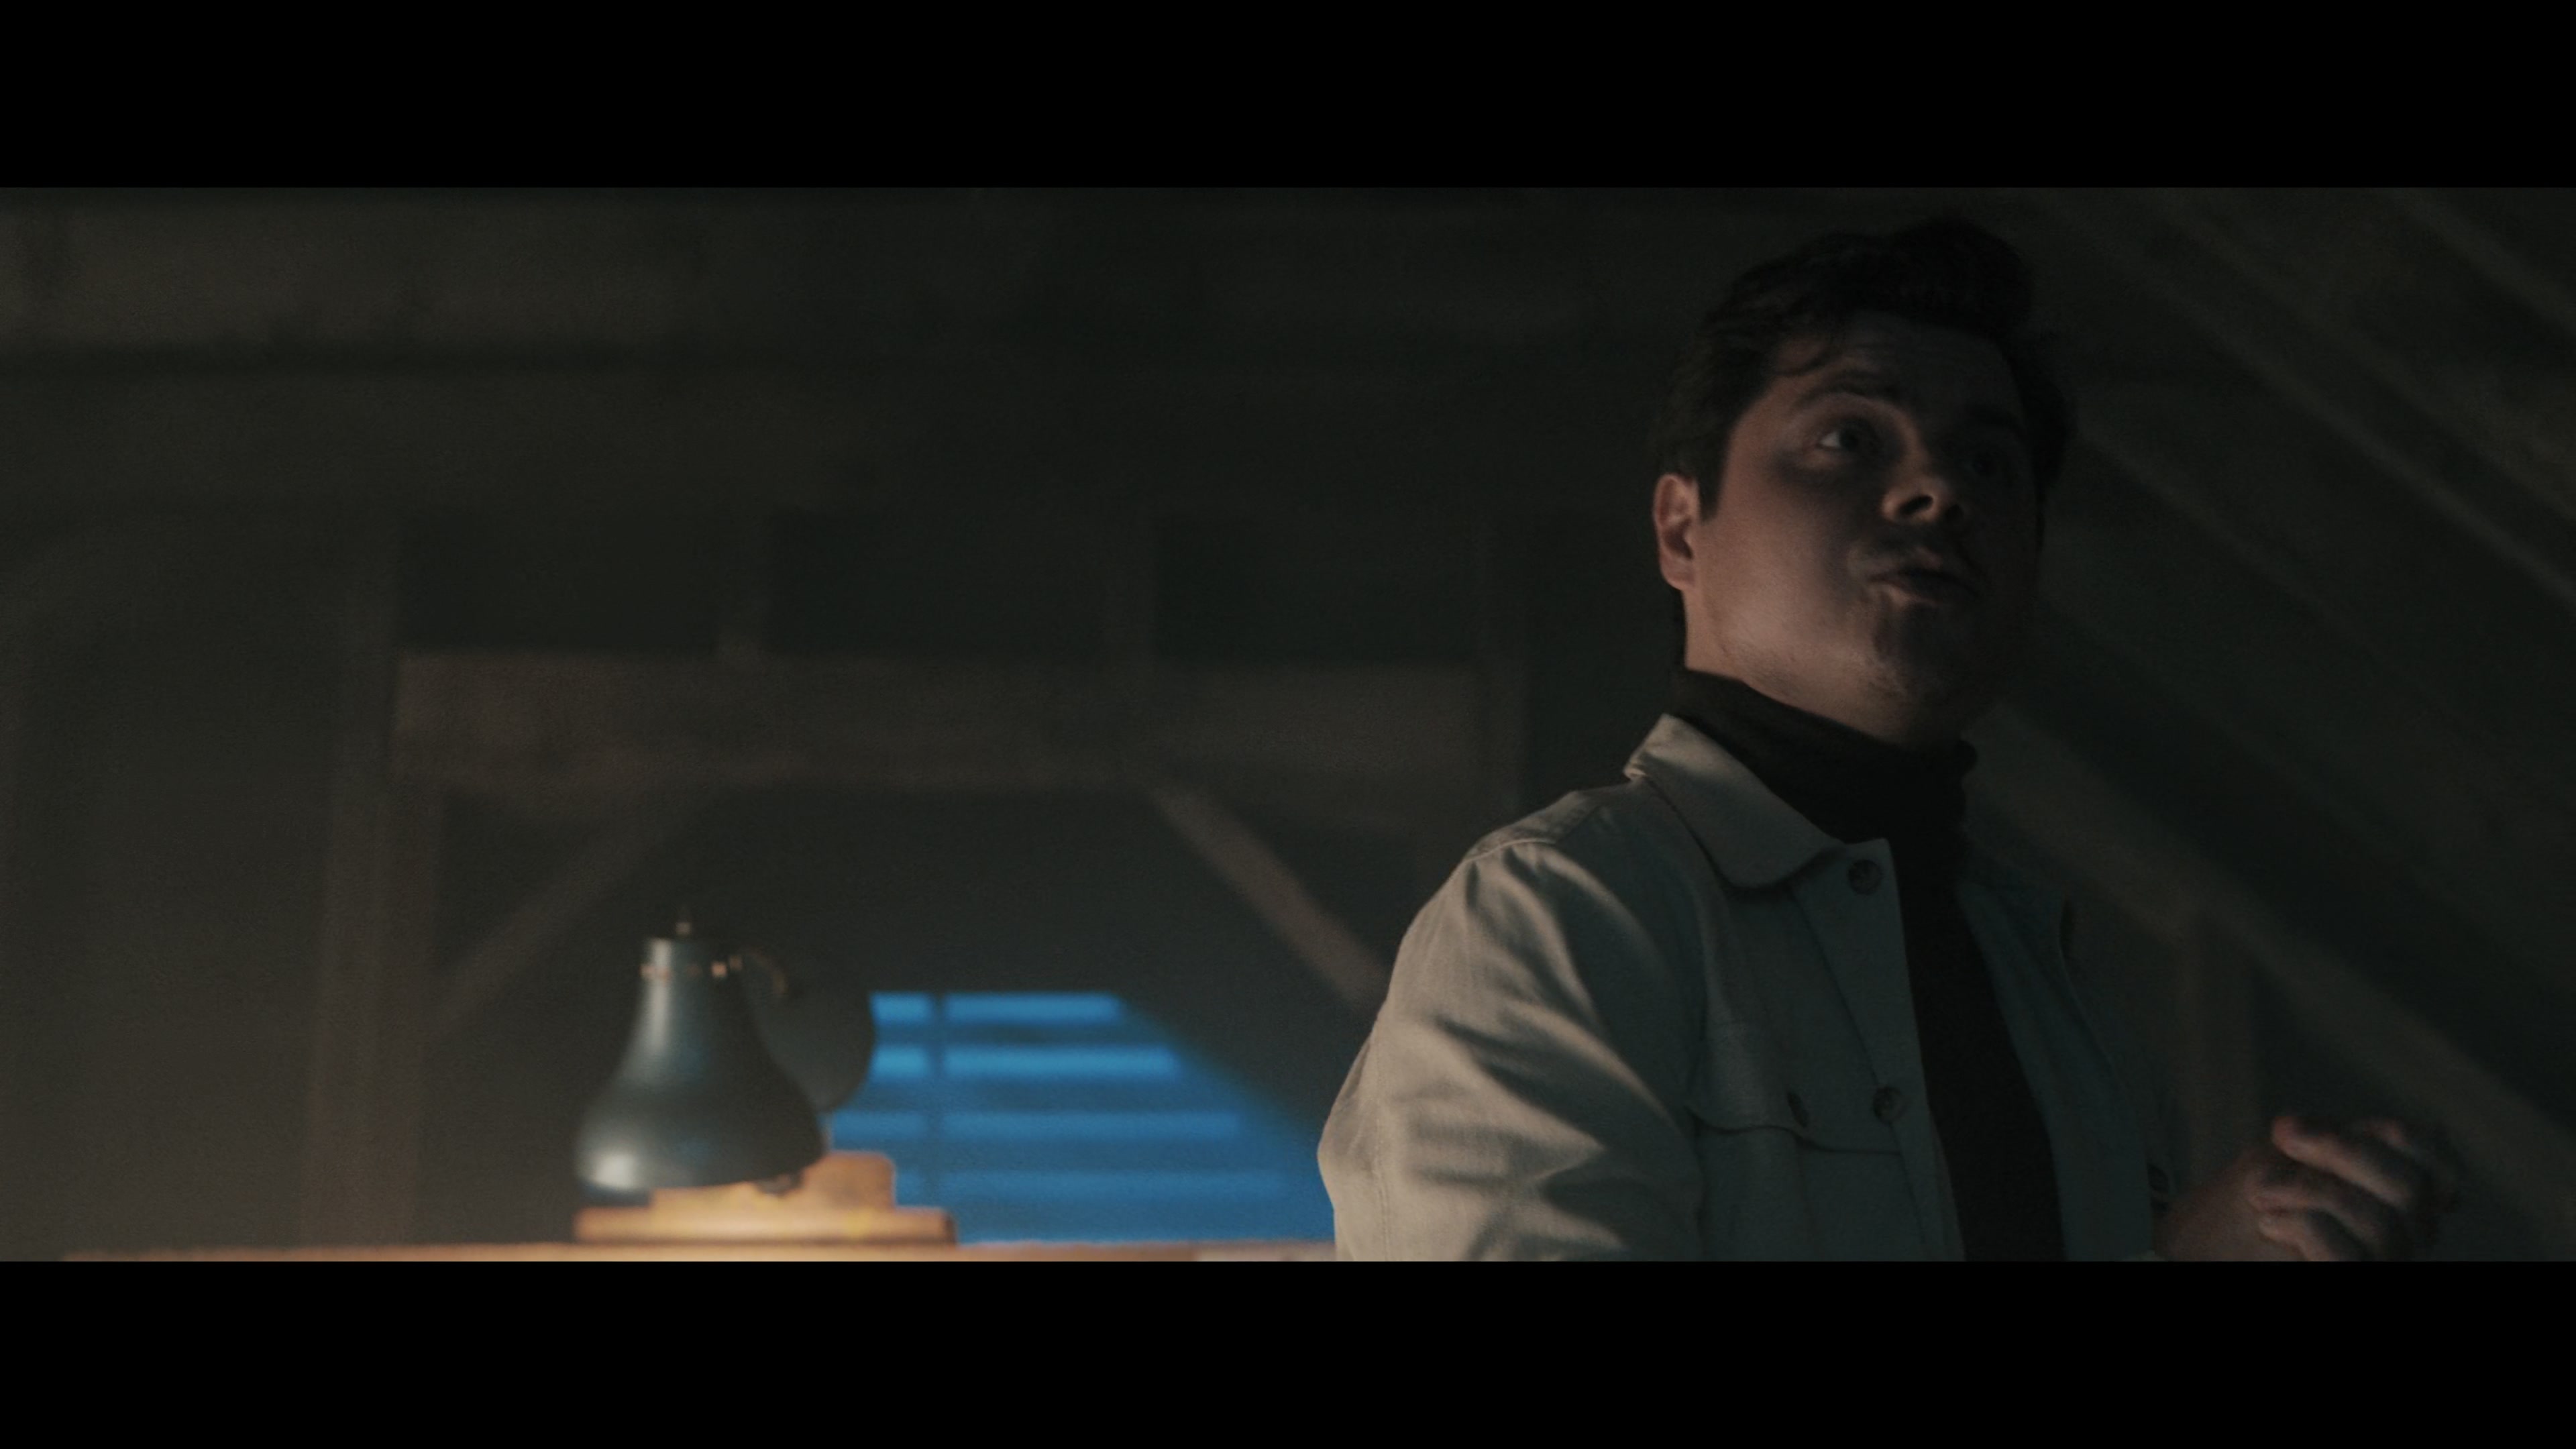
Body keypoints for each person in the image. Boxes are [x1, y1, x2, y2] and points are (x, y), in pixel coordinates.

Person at [1317, 217, 2463, 1260]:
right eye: (1849, 438)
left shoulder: (2054, 986)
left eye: (1989, 462)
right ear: (1682, 528)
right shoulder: (1561, 919)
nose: (1938, 491)